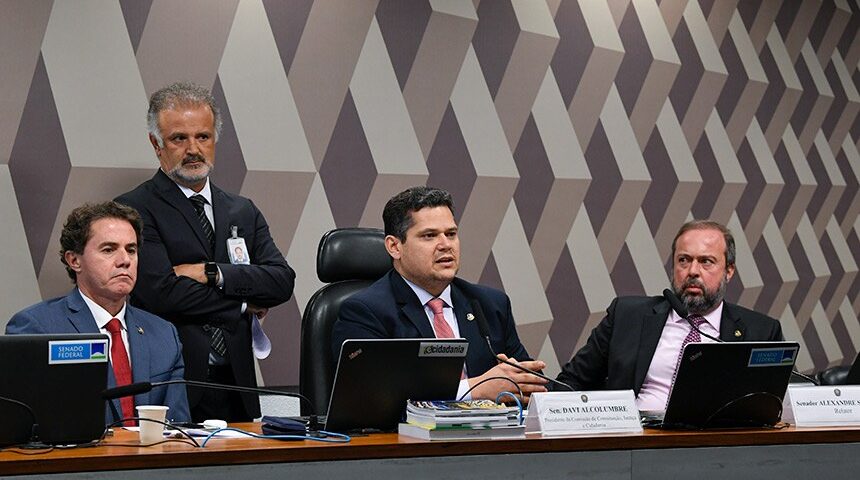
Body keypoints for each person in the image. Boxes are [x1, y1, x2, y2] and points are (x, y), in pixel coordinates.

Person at [116, 82, 295, 422]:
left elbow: (281, 282)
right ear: (156, 145)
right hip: (174, 381)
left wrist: (212, 273)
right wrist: (244, 301)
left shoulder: (243, 210)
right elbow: (162, 294)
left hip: (238, 385)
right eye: (179, 138)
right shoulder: (134, 208)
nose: (193, 149)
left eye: (203, 137)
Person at [331, 186, 547, 401]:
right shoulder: (366, 312)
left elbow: (531, 384)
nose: (445, 245)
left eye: (451, 234)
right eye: (429, 236)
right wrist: (474, 390)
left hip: (489, 433)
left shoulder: (490, 304)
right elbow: (372, 396)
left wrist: (524, 382)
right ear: (394, 247)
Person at [554, 220, 783, 410]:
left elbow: (775, 405)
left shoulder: (761, 331)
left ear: (729, 271)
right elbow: (570, 383)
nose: (693, 271)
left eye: (706, 261)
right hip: (633, 442)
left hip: (717, 447)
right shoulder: (627, 315)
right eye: (684, 260)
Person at [6, 202, 190, 425]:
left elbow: (178, 427)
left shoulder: (163, 334)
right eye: (109, 249)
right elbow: (23, 426)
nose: (125, 260)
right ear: (74, 260)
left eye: (131, 250)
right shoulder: (38, 327)